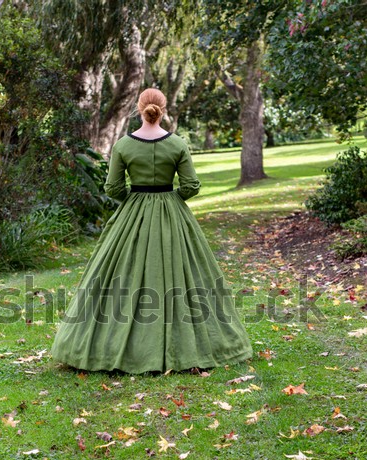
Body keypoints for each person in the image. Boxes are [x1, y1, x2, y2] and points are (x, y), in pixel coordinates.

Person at [50, 88, 253, 374]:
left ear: (139, 107)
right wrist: (171, 201)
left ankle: (110, 350)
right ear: (163, 108)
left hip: (132, 214)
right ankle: (195, 347)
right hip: (173, 214)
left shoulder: (123, 145)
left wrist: (136, 203)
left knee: (118, 278)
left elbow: (113, 188)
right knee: (189, 279)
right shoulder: (178, 143)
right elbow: (191, 186)